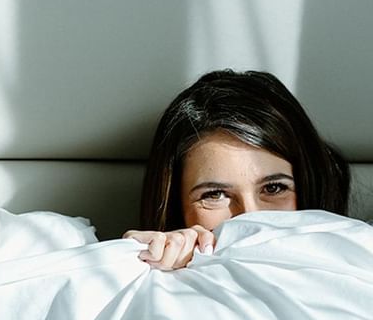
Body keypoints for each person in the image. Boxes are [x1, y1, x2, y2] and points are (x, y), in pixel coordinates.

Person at [124, 69, 350, 269]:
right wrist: (137, 260)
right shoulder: (155, 287)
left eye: (273, 188)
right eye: (215, 195)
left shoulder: (372, 258)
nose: (250, 217)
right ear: (176, 207)